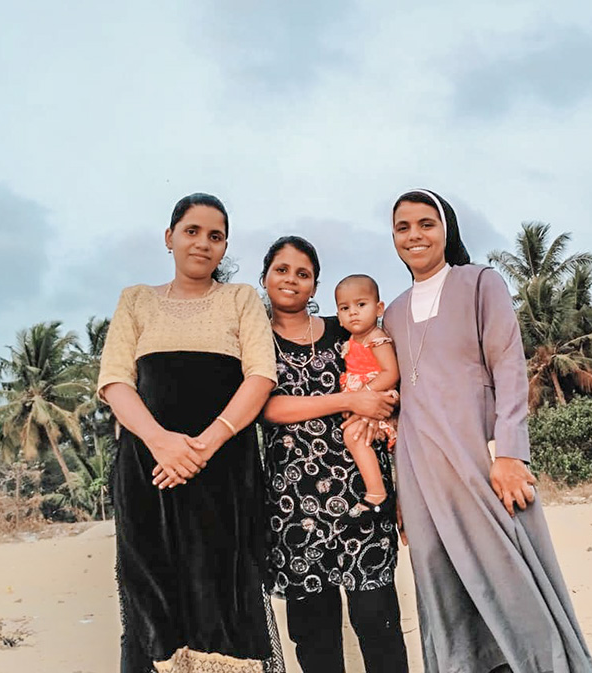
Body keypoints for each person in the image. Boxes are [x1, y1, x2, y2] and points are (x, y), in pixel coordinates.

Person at [382, 189, 592, 673]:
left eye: (425, 224)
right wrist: (399, 489)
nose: (414, 235)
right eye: (402, 227)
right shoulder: (391, 313)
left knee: (512, 578)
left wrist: (511, 454)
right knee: (443, 587)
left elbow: (508, 368)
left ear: (446, 230)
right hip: (420, 471)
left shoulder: (480, 283)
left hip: (481, 460)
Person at [98, 193, 284, 673]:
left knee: (222, 594)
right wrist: (162, 442)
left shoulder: (241, 299)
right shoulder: (135, 299)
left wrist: (204, 446)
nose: (203, 243)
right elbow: (115, 381)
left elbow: (261, 376)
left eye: (215, 236)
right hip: (149, 472)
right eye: (192, 231)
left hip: (224, 472)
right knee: (151, 598)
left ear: (224, 248)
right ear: (170, 238)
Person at [259, 236, 408, 673]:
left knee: (377, 623)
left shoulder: (347, 328)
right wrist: (349, 401)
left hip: (364, 498)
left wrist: (380, 404)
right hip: (295, 507)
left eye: (303, 273)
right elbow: (268, 409)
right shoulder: (255, 342)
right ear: (265, 277)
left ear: (315, 284)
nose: (291, 280)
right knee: (315, 636)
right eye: (281, 270)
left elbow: (389, 381)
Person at [334, 274, 400, 523]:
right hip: (362, 396)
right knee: (353, 435)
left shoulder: (376, 337)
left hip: (378, 395)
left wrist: (363, 396)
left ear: (378, 308)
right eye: (345, 308)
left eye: (361, 305)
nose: (353, 313)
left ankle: (378, 494)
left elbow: (391, 373)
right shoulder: (352, 340)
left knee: (353, 435)